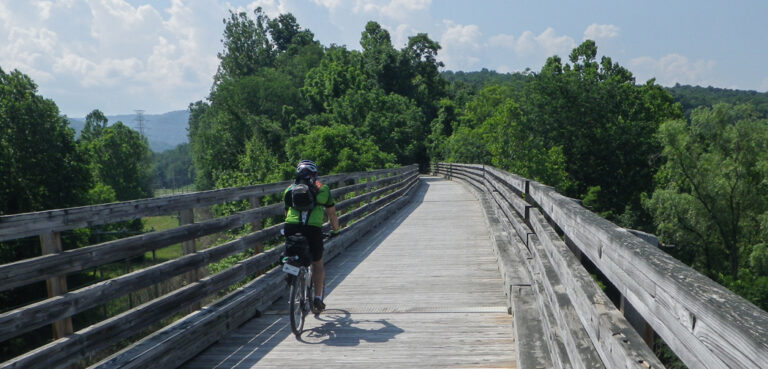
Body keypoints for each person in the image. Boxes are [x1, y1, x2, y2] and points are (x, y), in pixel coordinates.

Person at [283, 160, 340, 312]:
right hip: (313, 229)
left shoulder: (289, 189)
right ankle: (317, 299)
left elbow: (286, 212)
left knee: (292, 251)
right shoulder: (323, 189)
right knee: (317, 262)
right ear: (315, 174)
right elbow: (332, 214)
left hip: (291, 226)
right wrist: (335, 230)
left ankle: (290, 270)